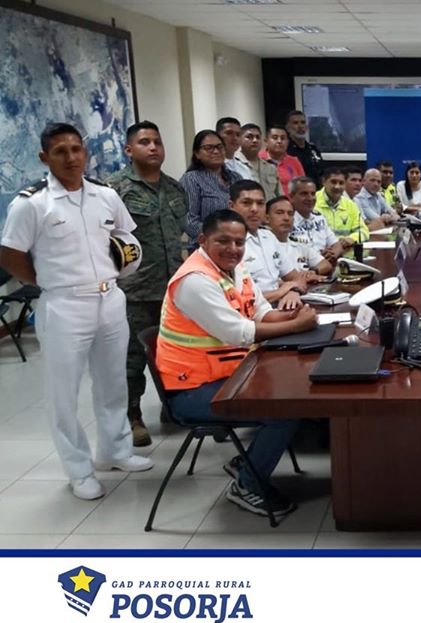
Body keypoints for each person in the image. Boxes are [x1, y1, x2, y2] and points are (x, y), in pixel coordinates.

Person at [1, 122, 152, 501]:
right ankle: (79, 470)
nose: (71, 157)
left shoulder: (105, 194)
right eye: (60, 151)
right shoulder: (32, 203)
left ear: (85, 152)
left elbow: (126, 236)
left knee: (113, 381)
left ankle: (115, 451)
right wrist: (45, 280)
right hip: (64, 304)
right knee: (63, 393)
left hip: (110, 298)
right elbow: (10, 254)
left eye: (76, 149)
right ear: (44, 157)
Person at [156, 209, 318, 517]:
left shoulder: (234, 267)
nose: (233, 248)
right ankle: (248, 485)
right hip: (193, 389)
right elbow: (239, 332)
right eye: (223, 241)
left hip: (231, 374)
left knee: (298, 383)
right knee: (287, 409)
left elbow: (260, 311)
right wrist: (296, 326)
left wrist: (293, 315)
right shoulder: (195, 281)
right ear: (203, 240)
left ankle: (247, 462)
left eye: (239, 242)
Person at [107, 121, 187, 447]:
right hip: (135, 289)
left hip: (173, 289)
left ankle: (174, 405)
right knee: (132, 357)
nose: (153, 147)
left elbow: (181, 235)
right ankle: (132, 415)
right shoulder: (113, 190)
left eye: (157, 141)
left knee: (174, 352)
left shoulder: (175, 188)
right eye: (144, 142)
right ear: (129, 149)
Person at [229, 179, 310, 310]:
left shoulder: (269, 237)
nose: (254, 209)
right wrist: (282, 291)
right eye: (247, 203)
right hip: (251, 315)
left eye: (260, 203)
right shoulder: (228, 245)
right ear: (231, 206)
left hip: (282, 307)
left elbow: (298, 278)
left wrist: (293, 291)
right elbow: (238, 300)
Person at [181, 129, 241, 250]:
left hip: (238, 244)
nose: (216, 151)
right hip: (204, 246)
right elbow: (189, 221)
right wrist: (220, 236)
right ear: (197, 154)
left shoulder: (236, 177)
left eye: (219, 147)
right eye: (208, 148)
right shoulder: (191, 179)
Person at [264, 196, 332, 277]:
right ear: (266, 218)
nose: (286, 218)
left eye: (290, 214)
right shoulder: (261, 247)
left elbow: (326, 264)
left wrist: (313, 272)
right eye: (280, 213)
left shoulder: (298, 245)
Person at [288, 176, 347, 262]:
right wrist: (318, 258)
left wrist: (332, 254)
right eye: (304, 194)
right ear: (291, 197)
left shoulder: (319, 218)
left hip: (326, 263)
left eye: (313, 194)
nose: (310, 198)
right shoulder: (286, 220)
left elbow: (337, 245)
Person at [315, 166, 370, 243]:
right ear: (324, 182)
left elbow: (364, 231)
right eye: (333, 182)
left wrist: (352, 239)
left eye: (341, 183)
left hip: (344, 248)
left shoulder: (350, 205)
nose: (337, 186)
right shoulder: (312, 201)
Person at [233, 123, 282, 199]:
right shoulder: (233, 165)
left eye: (258, 137)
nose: (255, 140)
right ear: (240, 140)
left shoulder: (270, 167)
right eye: (249, 137)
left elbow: (279, 195)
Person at [258, 125, 305, 196]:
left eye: (283, 138)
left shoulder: (294, 162)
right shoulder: (259, 159)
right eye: (275, 138)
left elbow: (303, 186)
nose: (279, 141)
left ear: (287, 142)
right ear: (266, 141)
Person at [285, 109, 324, 185]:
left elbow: (321, 172)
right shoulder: (286, 150)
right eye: (295, 123)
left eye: (303, 122)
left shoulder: (313, 149)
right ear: (287, 127)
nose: (300, 126)